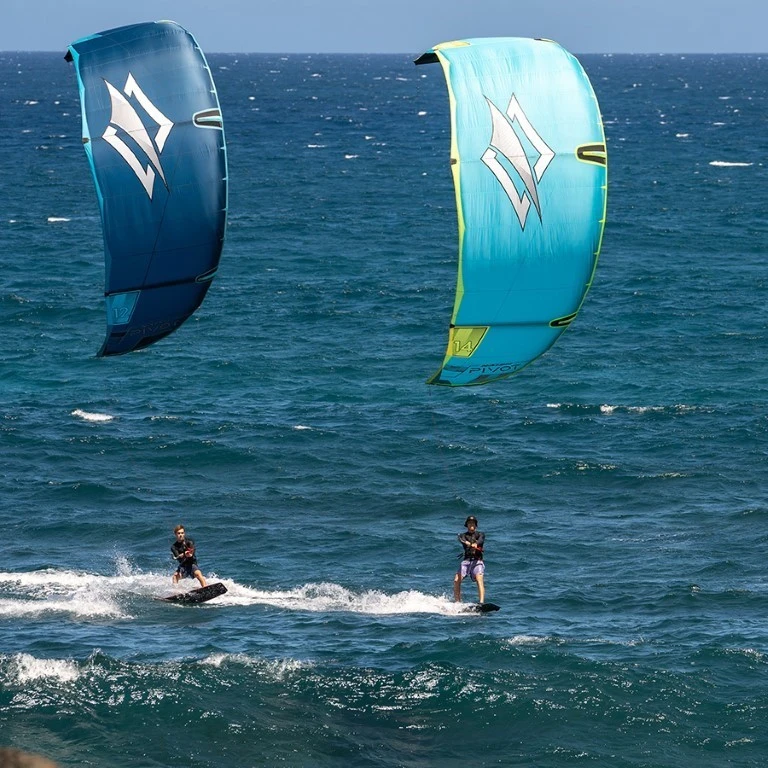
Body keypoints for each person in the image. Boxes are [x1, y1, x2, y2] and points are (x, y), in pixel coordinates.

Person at [453, 515, 485, 603]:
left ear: (476, 525)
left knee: (479, 578)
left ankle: (481, 602)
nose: (471, 524)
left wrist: (476, 544)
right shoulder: (463, 535)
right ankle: (457, 602)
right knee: (456, 579)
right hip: (466, 561)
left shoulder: (480, 534)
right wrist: (468, 543)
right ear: (467, 525)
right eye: (469, 523)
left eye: (473, 523)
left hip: (477, 561)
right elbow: (461, 539)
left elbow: (481, 540)